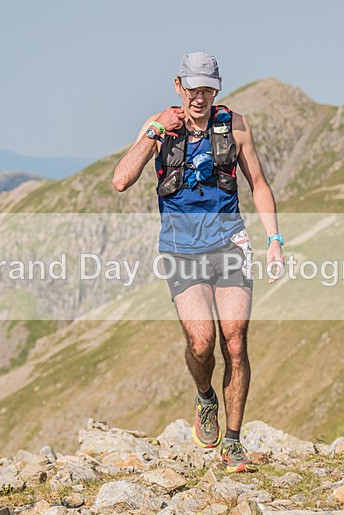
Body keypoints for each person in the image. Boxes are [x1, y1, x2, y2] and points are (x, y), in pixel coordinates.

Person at [112, 52, 284, 473]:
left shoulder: (235, 126)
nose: (200, 97)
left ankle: (234, 441)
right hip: (181, 250)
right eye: (193, 89)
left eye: (207, 89)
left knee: (236, 342)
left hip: (230, 245)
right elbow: (120, 180)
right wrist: (153, 132)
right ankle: (205, 397)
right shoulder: (159, 126)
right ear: (179, 86)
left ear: (216, 89)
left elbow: (258, 184)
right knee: (202, 343)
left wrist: (275, 240)